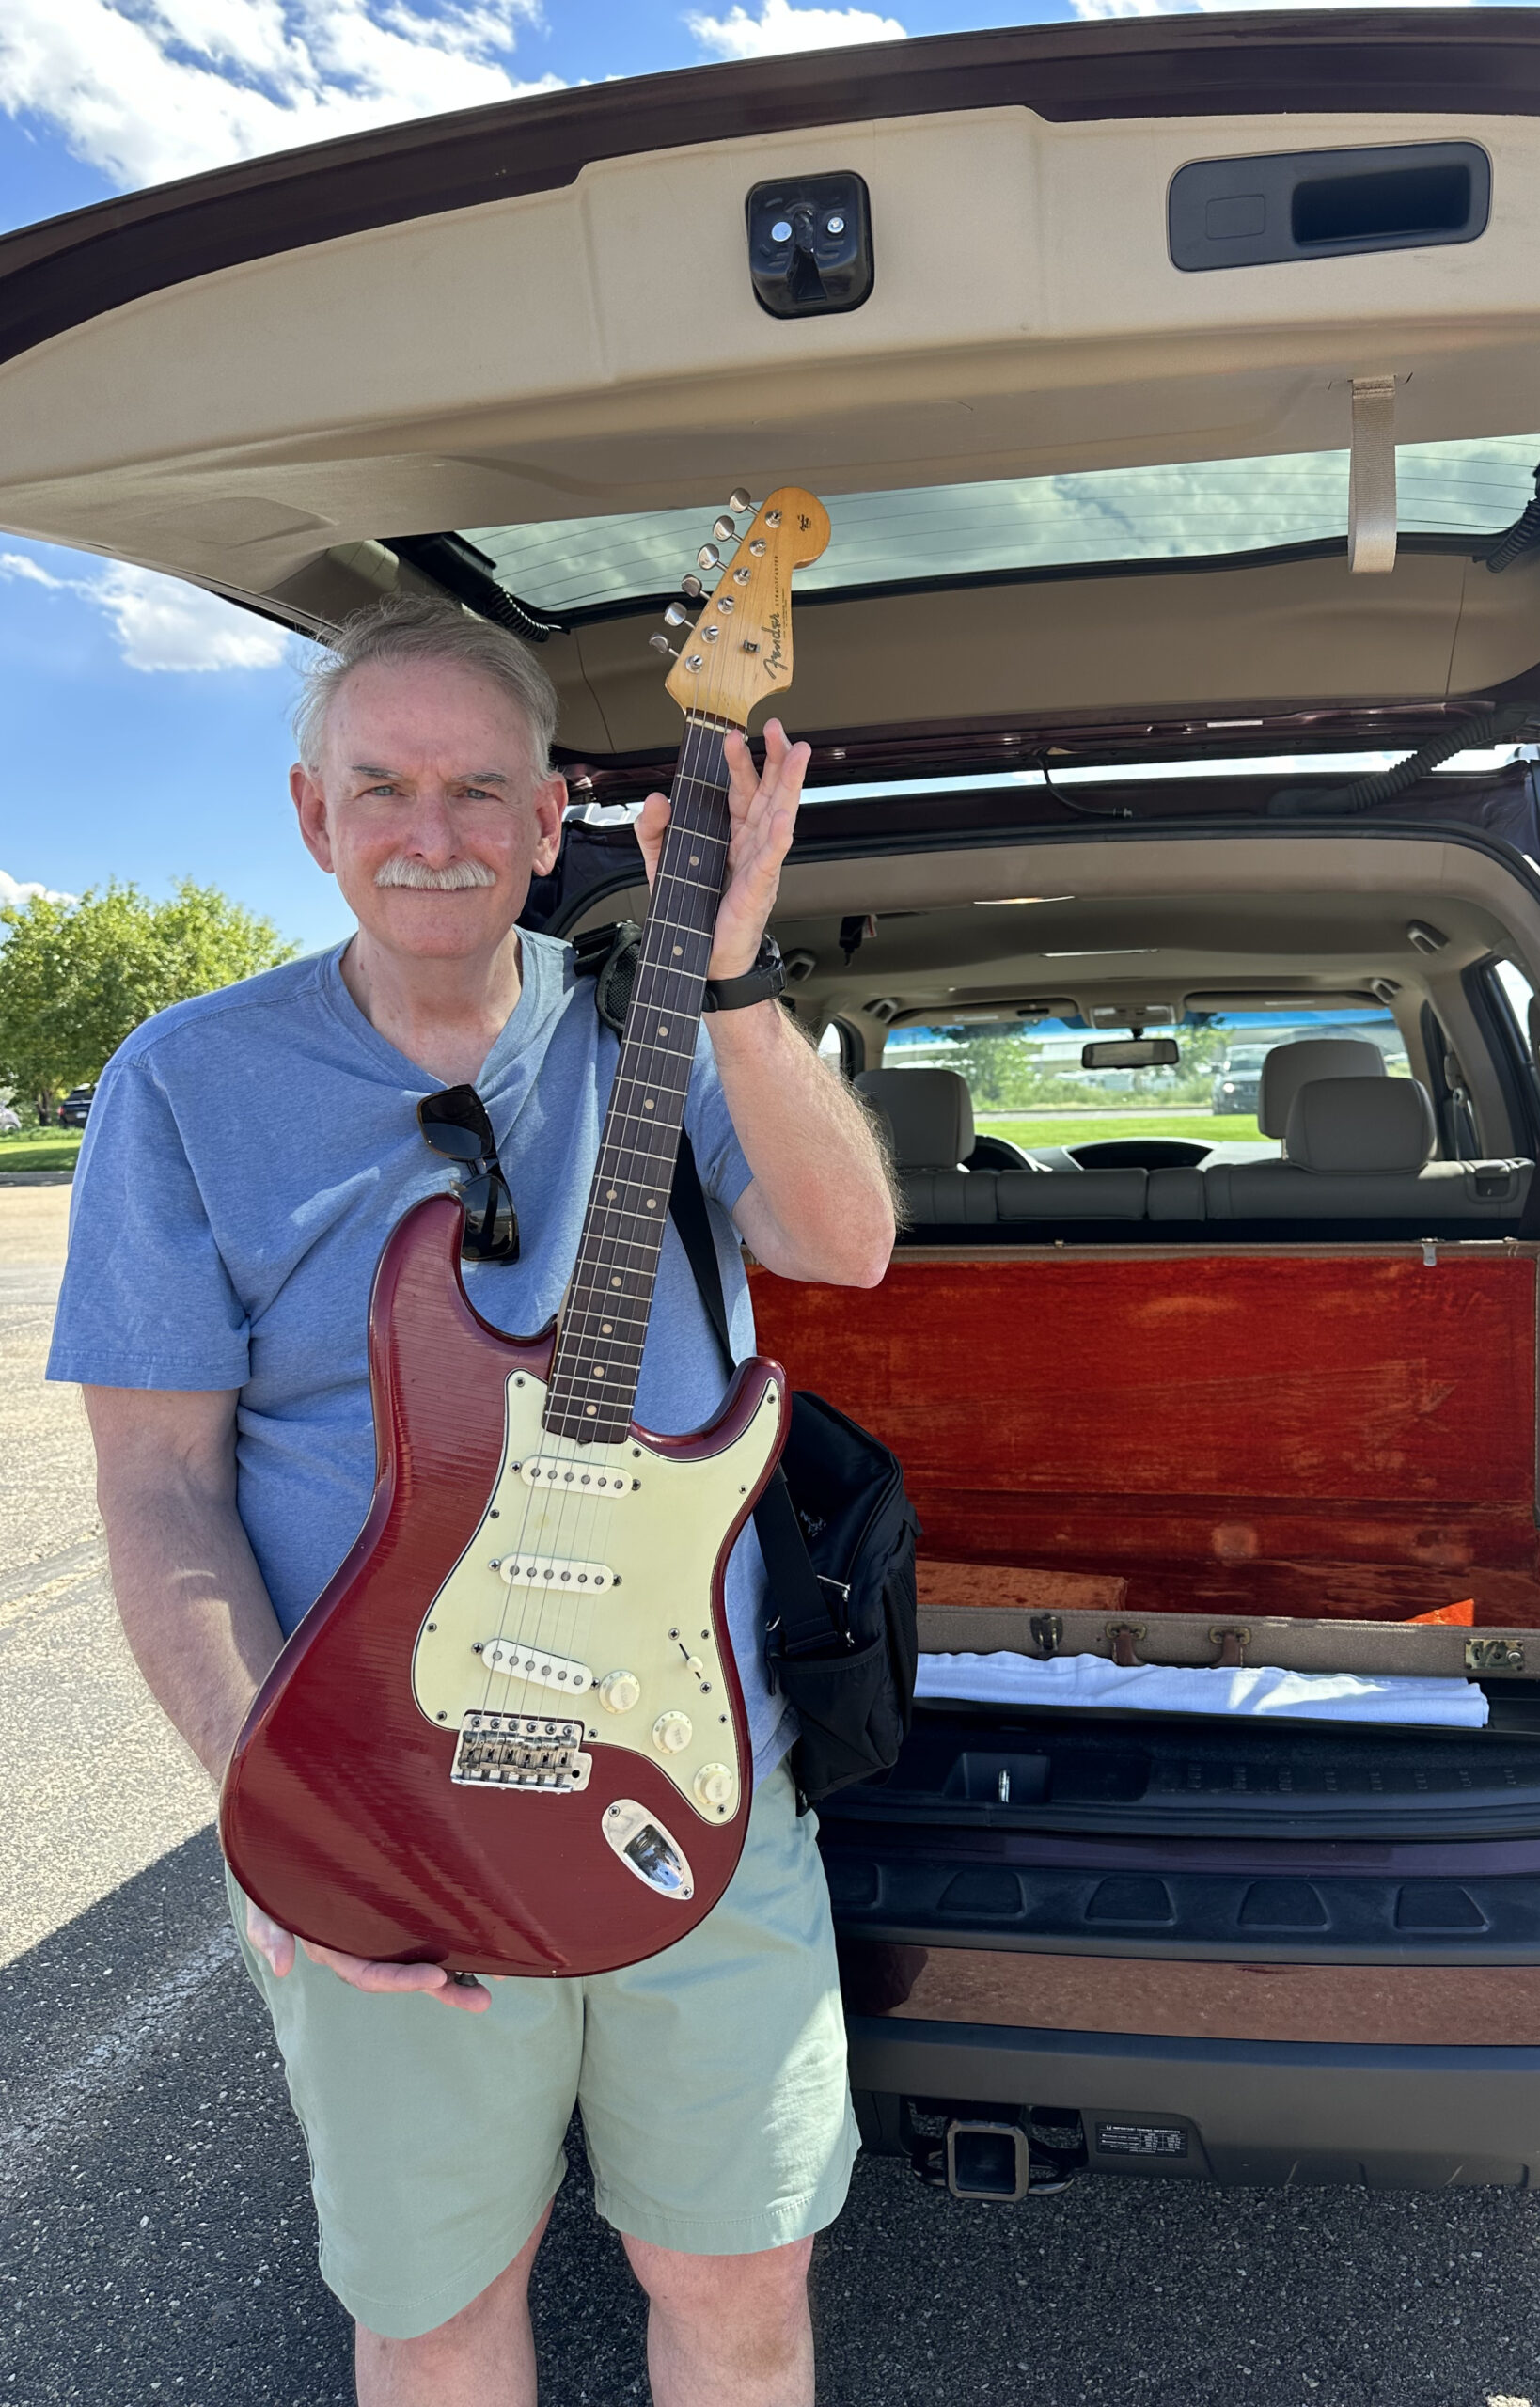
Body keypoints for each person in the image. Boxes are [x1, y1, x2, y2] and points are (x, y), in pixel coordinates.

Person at [49, 594, 896, 2407]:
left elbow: (848, 1242)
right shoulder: (186, 1087)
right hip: (390, 1815)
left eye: (475, 789)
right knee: (436, 2308)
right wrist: (274, 1810)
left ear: (548, 817)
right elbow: (162, 1487)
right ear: (311, 816)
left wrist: (735, 971)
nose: (429, 832)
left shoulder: (654, 1038)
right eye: (383, 788)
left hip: (694, 1773)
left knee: (737, 2281)